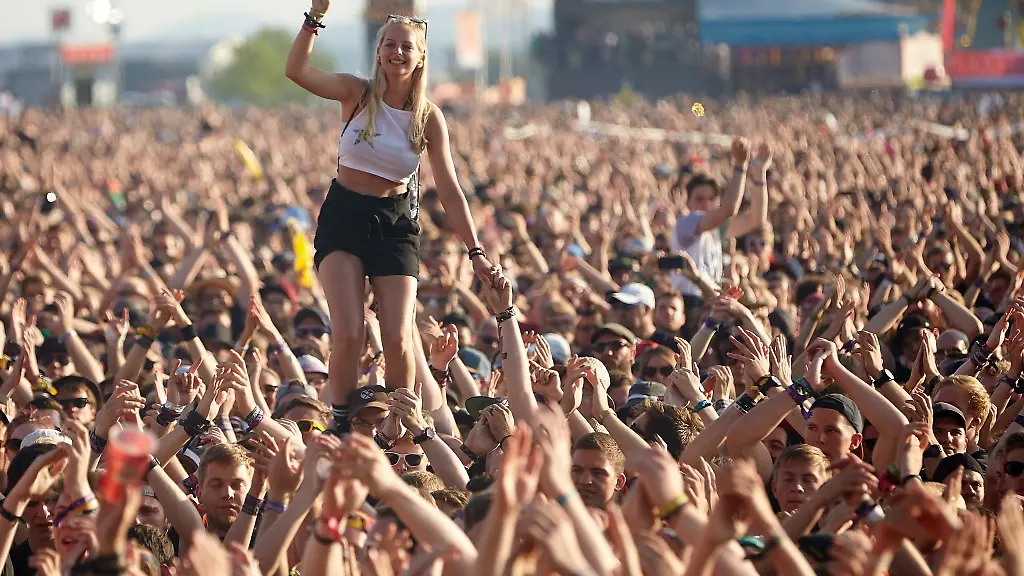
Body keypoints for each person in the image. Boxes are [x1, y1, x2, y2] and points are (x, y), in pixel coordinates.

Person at [286, 1, 495, 434]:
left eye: (407, 47)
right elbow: (298, 72)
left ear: (420, 57)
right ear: (378, 51)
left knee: (399, 337)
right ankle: (341, 423)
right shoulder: (355, 93)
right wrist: (315, 16)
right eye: (391, 45)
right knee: (348, 332)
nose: (398, 53)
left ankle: (403, 427)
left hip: (396, 220)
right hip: (345, 213)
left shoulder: (428, 117)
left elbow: (450, 191)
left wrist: (475, 250)